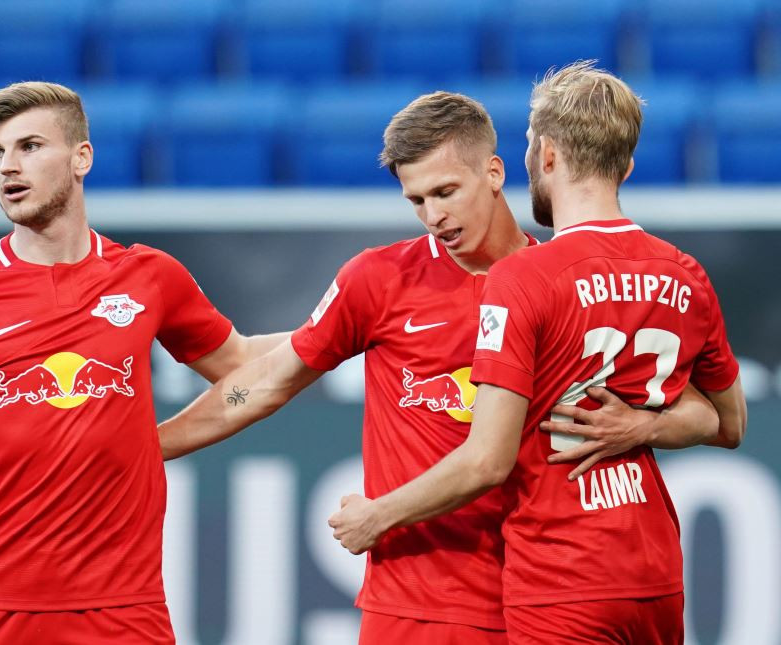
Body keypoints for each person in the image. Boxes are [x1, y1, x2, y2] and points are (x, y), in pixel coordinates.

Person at [158, 90, 719, 644]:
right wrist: (146, 445)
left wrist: (646, 425)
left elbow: (703, 408)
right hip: (416, 607)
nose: (434, 216)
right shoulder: (378, 280)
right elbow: (264, 384)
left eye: (446, 191)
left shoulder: (559, 283)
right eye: (417, 200)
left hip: (538, 596)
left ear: (495, 173)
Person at [0, 81, 288, 643]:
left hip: (125, 612)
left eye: (30, 147)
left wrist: (337, 331)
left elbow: (239, 368)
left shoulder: (149, 277)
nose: (8, 168)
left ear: (81, 158)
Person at [326, 62, 748, 644]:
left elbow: (486, 461)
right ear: (624, 164)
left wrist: (376, 515)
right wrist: (639, 425)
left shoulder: (526, 277)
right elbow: (726, 422)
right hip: (652, 564)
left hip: (560, 571)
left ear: (544, 156)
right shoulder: (684, 273)